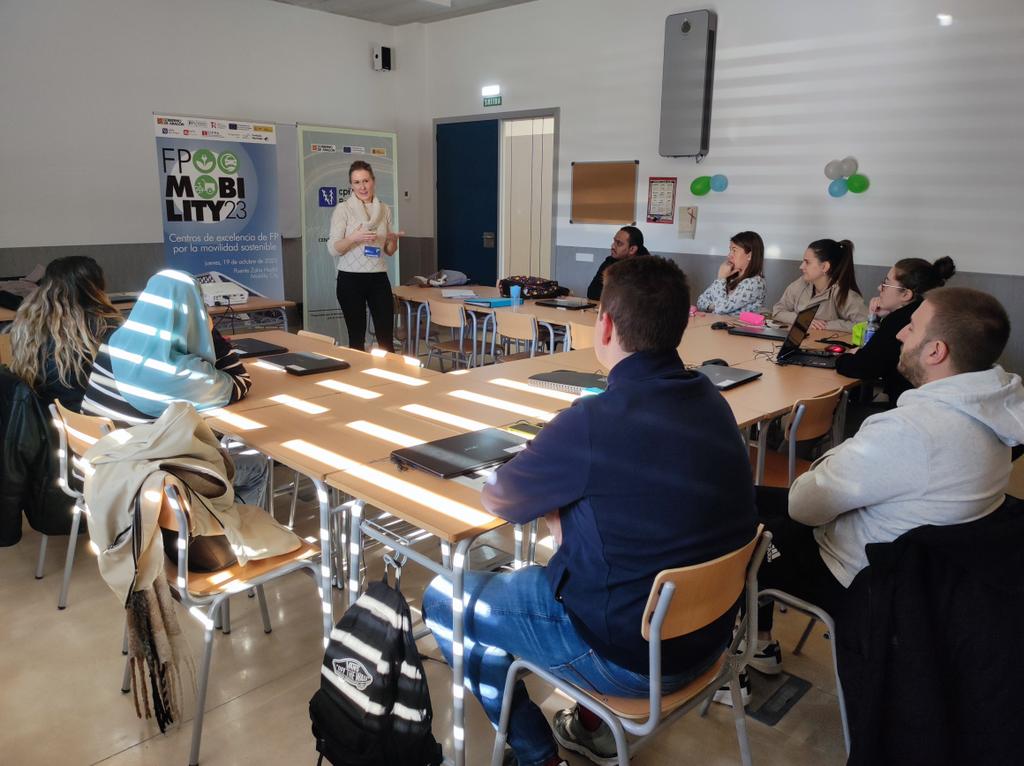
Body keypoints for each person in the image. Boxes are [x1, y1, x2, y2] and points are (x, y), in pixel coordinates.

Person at [422, 256, 757, 766]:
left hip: (629, 657)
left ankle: (536, 754)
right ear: (680, 325)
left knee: (447, 596)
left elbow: (500, 499)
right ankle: (587, 723)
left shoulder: (592, 420)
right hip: (709, 642)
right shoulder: (711, 399)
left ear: (604, 325)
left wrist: (555, 496)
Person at [749, 287, 1024, 677]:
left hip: (869, 580)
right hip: (930, 576)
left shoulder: (910, 431)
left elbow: (803, 508)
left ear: (936, 351)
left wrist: (831, 461)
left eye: (911, 328)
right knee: (754, 498)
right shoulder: (999, 415)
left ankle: (751, 651)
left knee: (746, 532)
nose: (898, 334)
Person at [81, 269, 267, 507]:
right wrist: (209, 331)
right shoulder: (176, 371)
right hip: (144, 475)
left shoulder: (117, 341)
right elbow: (239, 382)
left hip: (100, 459)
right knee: (256, 464)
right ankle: (229, 535)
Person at [836, 256, 956, 405]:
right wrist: (879, 319)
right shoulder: (921, 310)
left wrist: (843, 357)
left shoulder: (899, 320)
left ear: (906, 294)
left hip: (908, 409)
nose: (879, 288)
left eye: (886, 284)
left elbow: (863, 367)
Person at [8, 255, 122, 412]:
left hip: (47, 418)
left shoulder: (29, 324)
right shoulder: (102, 327)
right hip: (90, 419)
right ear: (94, 287)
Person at [328, 160, 403, 352]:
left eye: (366, 181)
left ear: (373, 181)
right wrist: (355, 237)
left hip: (378, 277)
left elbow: (388, 250)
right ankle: (360, 380)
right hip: (350, 279)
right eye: (357, 182)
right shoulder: (343, 209)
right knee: (356, 339)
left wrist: (393, 240)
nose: (362, 187)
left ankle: (391, 379)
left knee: (386, 337)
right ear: (351, 185)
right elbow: (334, 248)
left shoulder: (384, 209)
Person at [772, 239, 867, 331]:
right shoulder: (801, 283)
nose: (801, 266)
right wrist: (801, 320)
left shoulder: (844, 294)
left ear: (824, 267)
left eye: (807, 262)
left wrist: (826, 325)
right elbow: (777, 311)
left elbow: (867, 325)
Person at [695, 231, 767, 315]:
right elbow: (700, 301)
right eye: (730, 250)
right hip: (717, 324)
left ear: (749, 256)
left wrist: (721, 279)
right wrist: (715, 306)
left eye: (734, 250)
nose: (729, 255)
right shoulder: (731, 277)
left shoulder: (755, 283)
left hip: (736, 327)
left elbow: (721, 309)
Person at [586, 225, 649, 300]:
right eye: (614, 241)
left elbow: (636, 299)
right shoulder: (610, 262)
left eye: (619, 243)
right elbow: (592, 292)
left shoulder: (647, 268)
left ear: (632, 249)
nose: (612, 246)